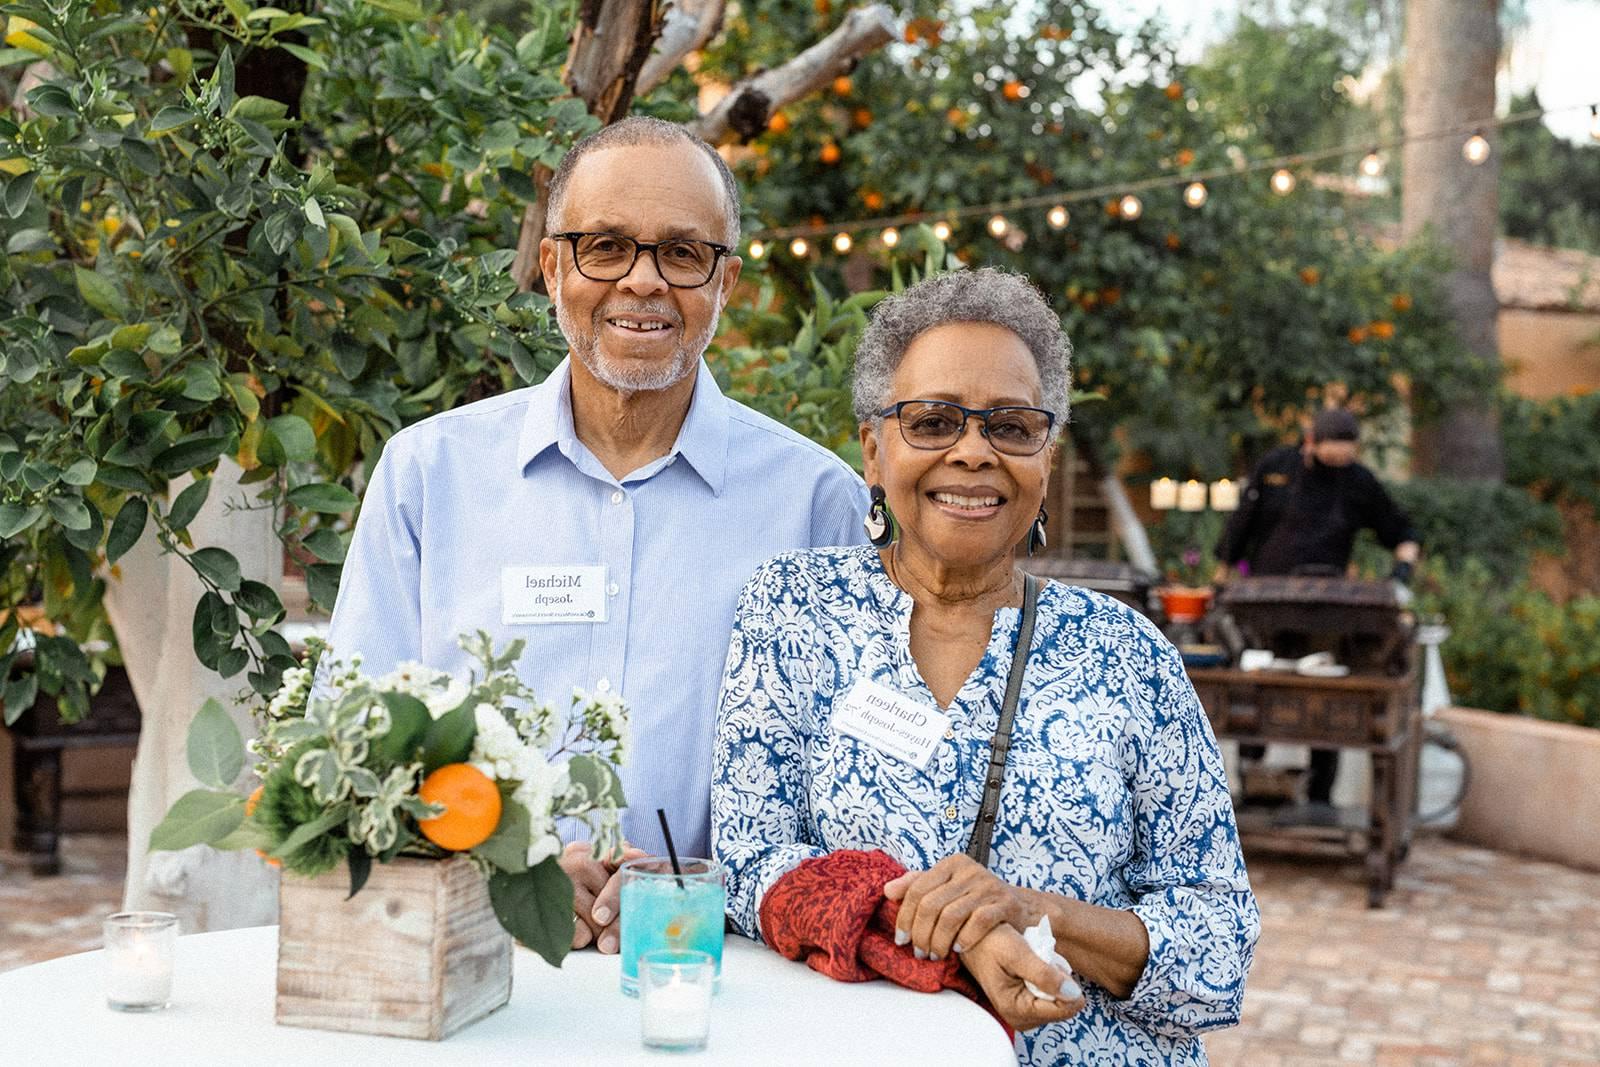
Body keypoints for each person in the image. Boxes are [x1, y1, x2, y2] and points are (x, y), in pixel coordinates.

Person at [327, 116, 866, 955]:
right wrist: (506, 871)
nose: (643, 282)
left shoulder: (815, 503)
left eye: (682, 253)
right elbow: (354, 740)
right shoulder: (429, 477)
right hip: (474, 956)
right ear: (551, 268)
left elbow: (848, 791)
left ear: (726, 282)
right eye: (605, 246)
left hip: (719, 973)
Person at [712, 268, 1258, 1065]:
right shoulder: (794, 611)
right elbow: (749, 860)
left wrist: (1034, 912)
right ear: (873, 449)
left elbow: (1220, 947)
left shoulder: (1129, 655)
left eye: (1010, 426)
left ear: (1047, 456)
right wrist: (947, 931)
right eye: (932, 422)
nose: (972, 452)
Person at [1215, 407, 1421, 811]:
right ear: (1311, 441)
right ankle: (1252, 788)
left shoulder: (1359, 483)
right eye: (1330, 457)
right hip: (1265, 604)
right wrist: (1222, 581)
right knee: (1254, 692)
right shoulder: (1276, 467)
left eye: (1344, 457)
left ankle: (1320, 797)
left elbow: (1402, 532)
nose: (1337, 464)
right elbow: (1240, 528)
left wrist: (1402, 572)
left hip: (1330, 612)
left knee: (1329, 702)